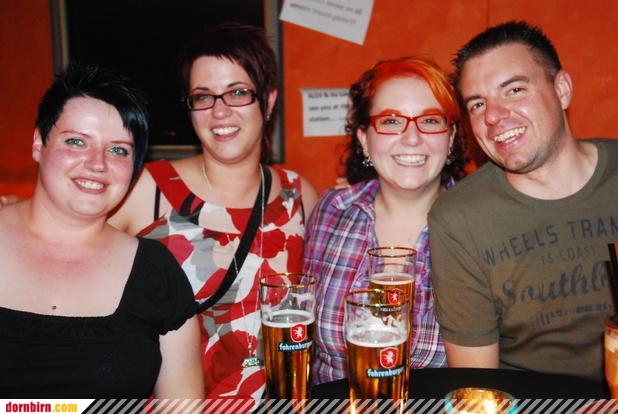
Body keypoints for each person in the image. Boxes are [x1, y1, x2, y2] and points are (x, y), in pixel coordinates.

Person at [108, 22, 318, 401]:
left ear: (268, 101)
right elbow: (67, 252)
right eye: (203, 97)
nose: (219, 111)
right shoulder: (147, 189)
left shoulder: (299, 195)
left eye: (237, 92)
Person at [428, 21, 618, 382]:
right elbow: (477, 385)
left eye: (514, 90)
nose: (493, 116)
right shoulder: (458, 219)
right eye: (478, 104)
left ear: (562, 90)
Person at [0, 63, 203, 397]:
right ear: (39, 143)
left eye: (118, 149)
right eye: (76, 142)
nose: (97, 163)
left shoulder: (156, 272)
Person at [303, 56, 467, 384]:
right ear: (364, 138)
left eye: (430, 120)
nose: (411, 138)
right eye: (391, 121)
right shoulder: (331, 211)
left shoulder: (477, 227)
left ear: (450, 138)